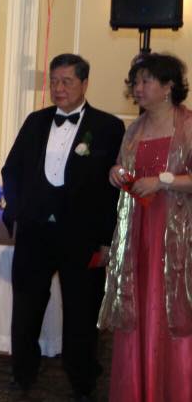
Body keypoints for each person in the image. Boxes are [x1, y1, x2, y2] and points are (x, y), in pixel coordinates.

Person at [1, 53, 124, 400]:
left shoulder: (108, 127)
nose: (58, 88)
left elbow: (112, 191)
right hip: (35, 232)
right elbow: (11, 169)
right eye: (54, 81)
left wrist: (106, 239)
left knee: (81, 312)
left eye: (66, 81)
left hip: (82, 236)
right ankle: (23, 372)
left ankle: (82, 381)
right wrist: (19, 209)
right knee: (26, 308)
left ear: (84, 84)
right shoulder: (36, 121)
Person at [101, 53, 192, 402]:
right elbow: (128, 173)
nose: (137, 88)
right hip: (138, 233)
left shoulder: (187, 125)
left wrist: (163, 180)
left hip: (176, 234)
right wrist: (117, 174)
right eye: (135, 82)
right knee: (137, 308)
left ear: (168, 87)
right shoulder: (134, 129)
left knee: (171, 307)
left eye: (145, 81)